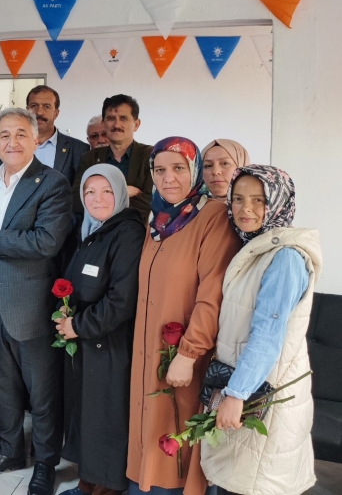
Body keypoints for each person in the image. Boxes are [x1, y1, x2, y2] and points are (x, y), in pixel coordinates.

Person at [128, 137, 241, 495]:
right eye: (160, 170)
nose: (169, 178)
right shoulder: (158, 221)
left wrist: (188, 354)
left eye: (178, 168)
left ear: (193, 172)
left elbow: (212, 297)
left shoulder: (213, 217)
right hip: (147, 351)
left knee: (175, 437)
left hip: (181, 357)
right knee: (148, 428)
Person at [202, 166, 321, 495]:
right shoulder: (256, 249)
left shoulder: (285, 258)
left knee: (255, 485)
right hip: (250, 387)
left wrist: (236, 394)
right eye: (238, 199)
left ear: (279, 202)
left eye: (259, 200)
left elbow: (267, 335)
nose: (246, 209)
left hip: (260, 392)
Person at [0, 107, 73, 495]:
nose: (12, 142)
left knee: (42, 393)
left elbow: (46, 242)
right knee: (3, 389)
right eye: (4, 135)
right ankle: (10, 451)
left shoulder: (52, 183)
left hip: (30, 307)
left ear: (35, 139)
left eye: (20, 134)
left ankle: (45, 463)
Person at [57, 165, 145, 495]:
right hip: (87, 343)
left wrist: (78, 325)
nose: (98, 199)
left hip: (110, 345)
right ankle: (87, 483)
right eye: (90, 192)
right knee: (88, 417)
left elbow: (122, 300)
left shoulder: (127, 233)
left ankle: (104, 488)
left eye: (107, 191)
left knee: (106, 419)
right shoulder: (90, 231)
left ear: (120, 193)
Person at [74, 95, 153, 223]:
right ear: (104, 124)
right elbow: (77, 200)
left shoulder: (150, 155)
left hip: (137, 231)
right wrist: (124, 192)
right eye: (111, 118)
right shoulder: (89, 158)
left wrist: (100, 202)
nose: (117, 124)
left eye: (123, 118)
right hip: (97, 231)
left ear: (136, 124)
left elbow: (152, 201)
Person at [27, 86, 90, 185]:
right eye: (34, 106)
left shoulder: (79, 150)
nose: (39, 112)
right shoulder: (13, 146)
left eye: (46, 106)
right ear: (27, 111)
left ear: (56, 113)